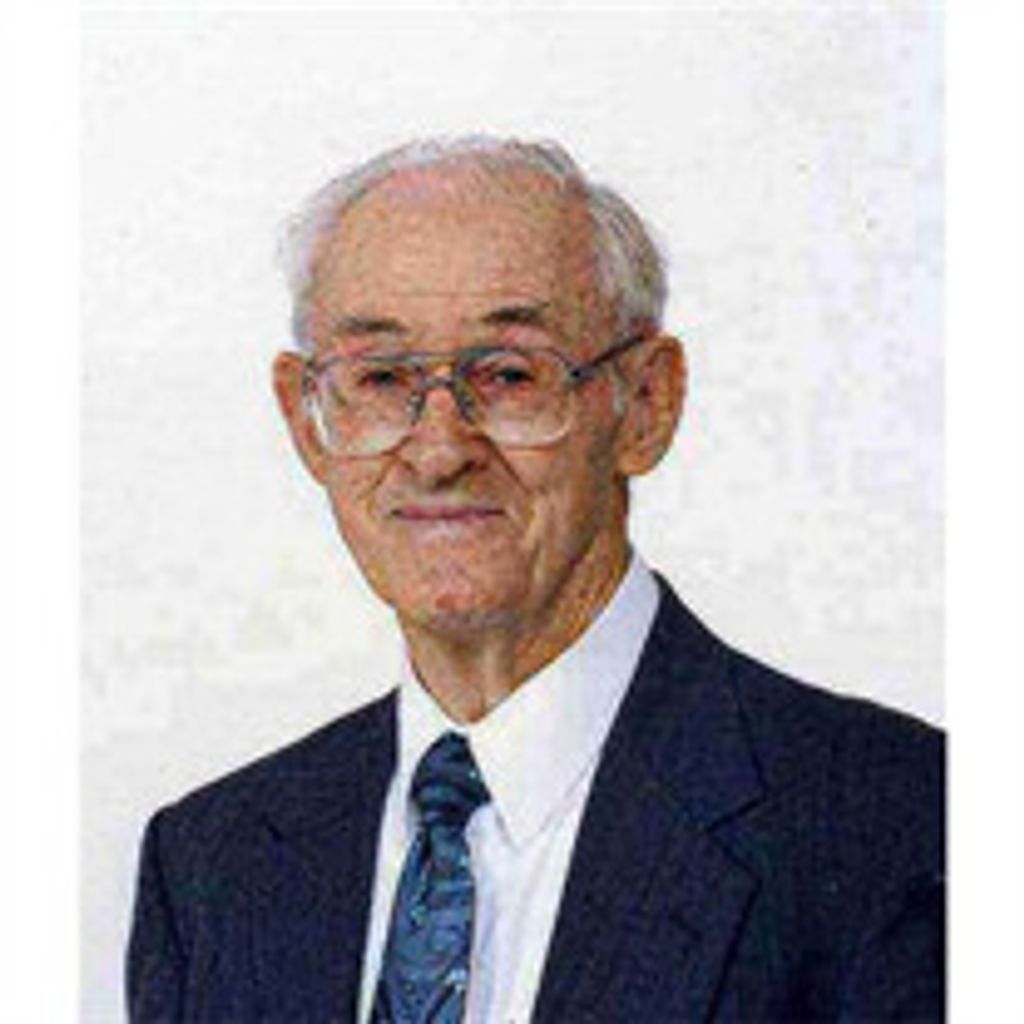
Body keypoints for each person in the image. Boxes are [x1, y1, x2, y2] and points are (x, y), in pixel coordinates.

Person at [127, 136, 944, 1023]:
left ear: (647, 404)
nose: (438, 451)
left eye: (510, 375)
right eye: (382, 378)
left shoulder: (903, 823)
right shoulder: (211, 865)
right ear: (306, 419)